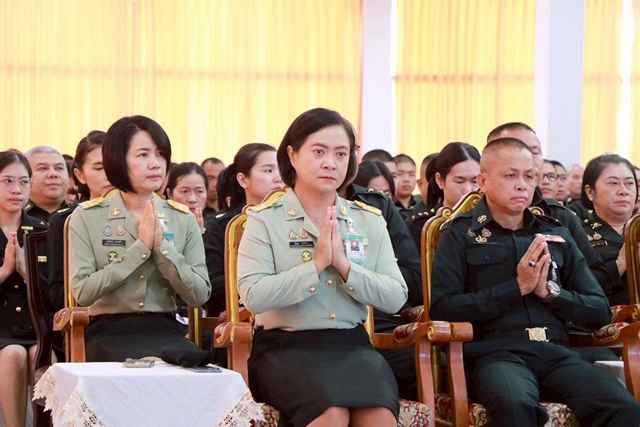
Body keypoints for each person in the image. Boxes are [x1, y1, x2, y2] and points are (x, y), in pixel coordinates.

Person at [430, 138, 640, 427]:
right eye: (510, 175)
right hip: (497, 355)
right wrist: (515, 288)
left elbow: (599, 310)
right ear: (483, 181)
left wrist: (550, 293)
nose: (522, 185)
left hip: (556, 354)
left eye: (529, 177)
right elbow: (443, 308)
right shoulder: (459, 234)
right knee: (515, 406)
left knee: (624, 407)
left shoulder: (556, 233)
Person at [238, 108, 407, 427]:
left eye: (341, 153)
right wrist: (315, 267)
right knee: (331, 414)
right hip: (285, 349)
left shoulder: (368, 220)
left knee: (380, 418)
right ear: (292, 155)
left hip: (353, 347)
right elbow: (254, 296)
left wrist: (344, 266)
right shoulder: (264, 219)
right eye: (319, 151)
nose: (331, 162)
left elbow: (396, 297)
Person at [67, 115, 211, 362]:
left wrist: (162, 249)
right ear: (118, 160)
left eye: (160, 154)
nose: (155, 164)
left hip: (165, 329)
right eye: (143, 155)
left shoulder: (182, 218)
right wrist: (140, 249)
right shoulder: (88, 216)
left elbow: (199, 295)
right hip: (107, 331)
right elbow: (83, 293)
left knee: (196, 368)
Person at [203, 143, 282, 317]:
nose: (278, 178)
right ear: (243, 180)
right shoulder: (223, 226)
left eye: (281, 170)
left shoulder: (294, 220)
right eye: (269, 170)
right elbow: (211, 285)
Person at [0, 151, 48, 427]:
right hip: (2, 325)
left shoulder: (42, 230)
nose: (17, 189)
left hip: (36, 323)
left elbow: (55, 289)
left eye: (24, 181)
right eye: (7, 181)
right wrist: (6, 269)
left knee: (38, 354)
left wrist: (26, 272)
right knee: (13, 354)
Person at [48, 131, 113, 312]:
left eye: (115, 166)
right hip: (90, 318)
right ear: (80, 175)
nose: (109, 175)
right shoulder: (66, 221)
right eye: (99, 168)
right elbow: (59, 296)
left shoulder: (145, 215)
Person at [581, 154, 637, 306]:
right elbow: (577, 289)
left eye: (629, 183)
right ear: (590, 192)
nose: (623, 191)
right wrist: (621, 263)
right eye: (613, 183)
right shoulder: (578, 235)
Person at [406, 142, 480, 251]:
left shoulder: (492, 220)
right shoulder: (420, 226)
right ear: (440, 180)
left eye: (474, 181)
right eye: (459, 181)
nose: (468, 190)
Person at [23, 146, 69, 222]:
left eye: (59, 168)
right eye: (43, 168)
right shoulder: (12, 217)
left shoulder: (80, 216)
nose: (53, 174)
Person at [164, 162, 208, 234]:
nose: (192, 199)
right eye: (185, 191)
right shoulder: (161, 226)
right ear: (169, 194)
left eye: (199, 191)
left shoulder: (216, 229)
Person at [394, 154, 420, 219]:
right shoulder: (386, 205)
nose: (406, 179)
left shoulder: (423, 203)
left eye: (411, 174)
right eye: (400, 174)